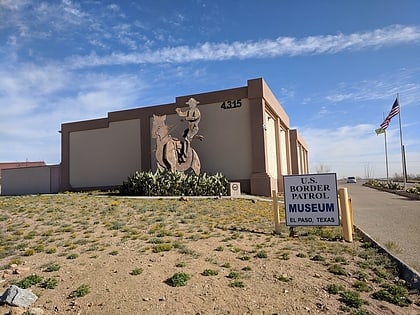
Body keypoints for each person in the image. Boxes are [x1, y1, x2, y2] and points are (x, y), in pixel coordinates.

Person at [176, 98, 201, 162]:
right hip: (190, 128)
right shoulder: (189, 111)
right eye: (189, 104)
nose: (190, 105)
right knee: (183, 135)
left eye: (191, 104)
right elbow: (182, 114)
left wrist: (186, 119)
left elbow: (195, 117)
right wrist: (178, 112)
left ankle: (185, 155)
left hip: (194, 128)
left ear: (194, 104)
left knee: (186, 139)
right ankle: (195, 137)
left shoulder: (196, 110)